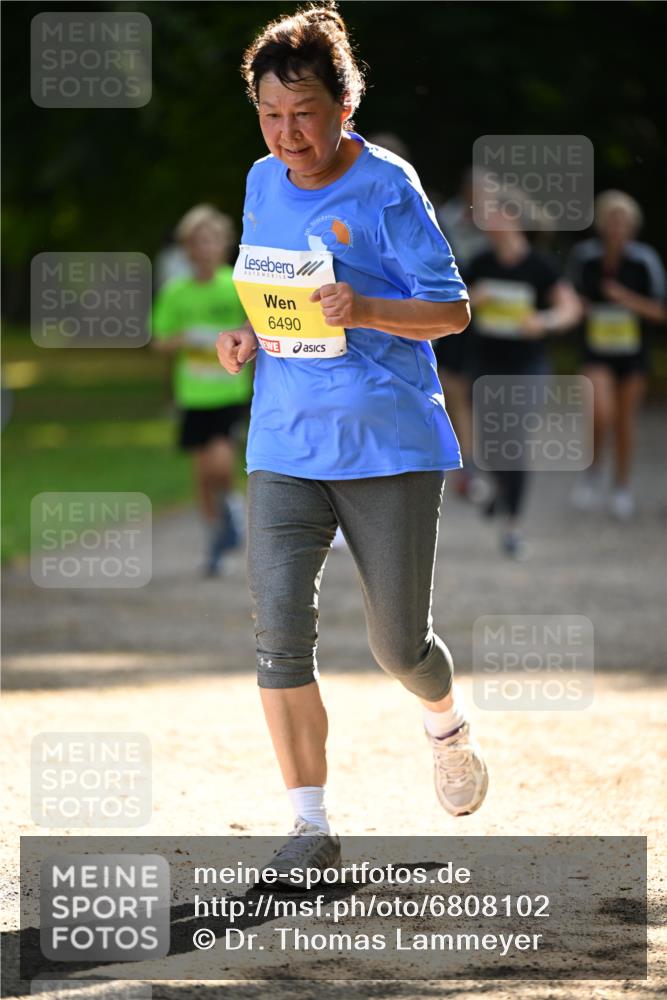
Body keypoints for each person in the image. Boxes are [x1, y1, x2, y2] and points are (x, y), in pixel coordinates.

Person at [216, 1, 487, 870]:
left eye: (303, 113)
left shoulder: (386, 186)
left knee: (397, 645)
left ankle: (444, 724)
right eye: (270, 114)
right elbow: (273, 293)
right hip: (285, 439)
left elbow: (451, 310)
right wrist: (246, 334)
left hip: (387, 442)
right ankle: (309, 826)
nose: (286, 134)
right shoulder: (260, 182)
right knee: (277, 633)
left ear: (344, 105)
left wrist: (366, 307)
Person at [466, 200, 581, 559]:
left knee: (514, 439)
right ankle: (501, 489)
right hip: (486, 363)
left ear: (515, 218)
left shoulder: (540, 265)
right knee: (492, 443)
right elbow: (448, 305)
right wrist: (470, 300)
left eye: (495, 213)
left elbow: (570, 308)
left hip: (528, 366)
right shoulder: (479, 263)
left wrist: (544, 321)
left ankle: (513, 526)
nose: (488, 220)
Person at [152, 204, 252, 576]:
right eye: (197, 242)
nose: (205, 248)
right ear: (187, 249)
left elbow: (255, 326)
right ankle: (214, 538)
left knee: (221, 463)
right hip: (193, 394)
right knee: (202, 473)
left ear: (224, 244)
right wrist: (182, 339)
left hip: (228, 390)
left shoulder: (236, 284)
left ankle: (232, 510)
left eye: (211, 240)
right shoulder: (176, 292)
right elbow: (159, 340)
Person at [568, 191, 667, 521]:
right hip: (596, 351)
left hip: (632, 354)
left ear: (633, 225)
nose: (617, 226)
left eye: (623, 220)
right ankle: (593, 471)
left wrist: (626, 299)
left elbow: (659, 311)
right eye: (612, 219)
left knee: (625, 422)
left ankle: (621, 487)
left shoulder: (644, 261)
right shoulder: (585, 258)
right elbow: (569, 298)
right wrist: (580, 308)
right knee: (601, 412)